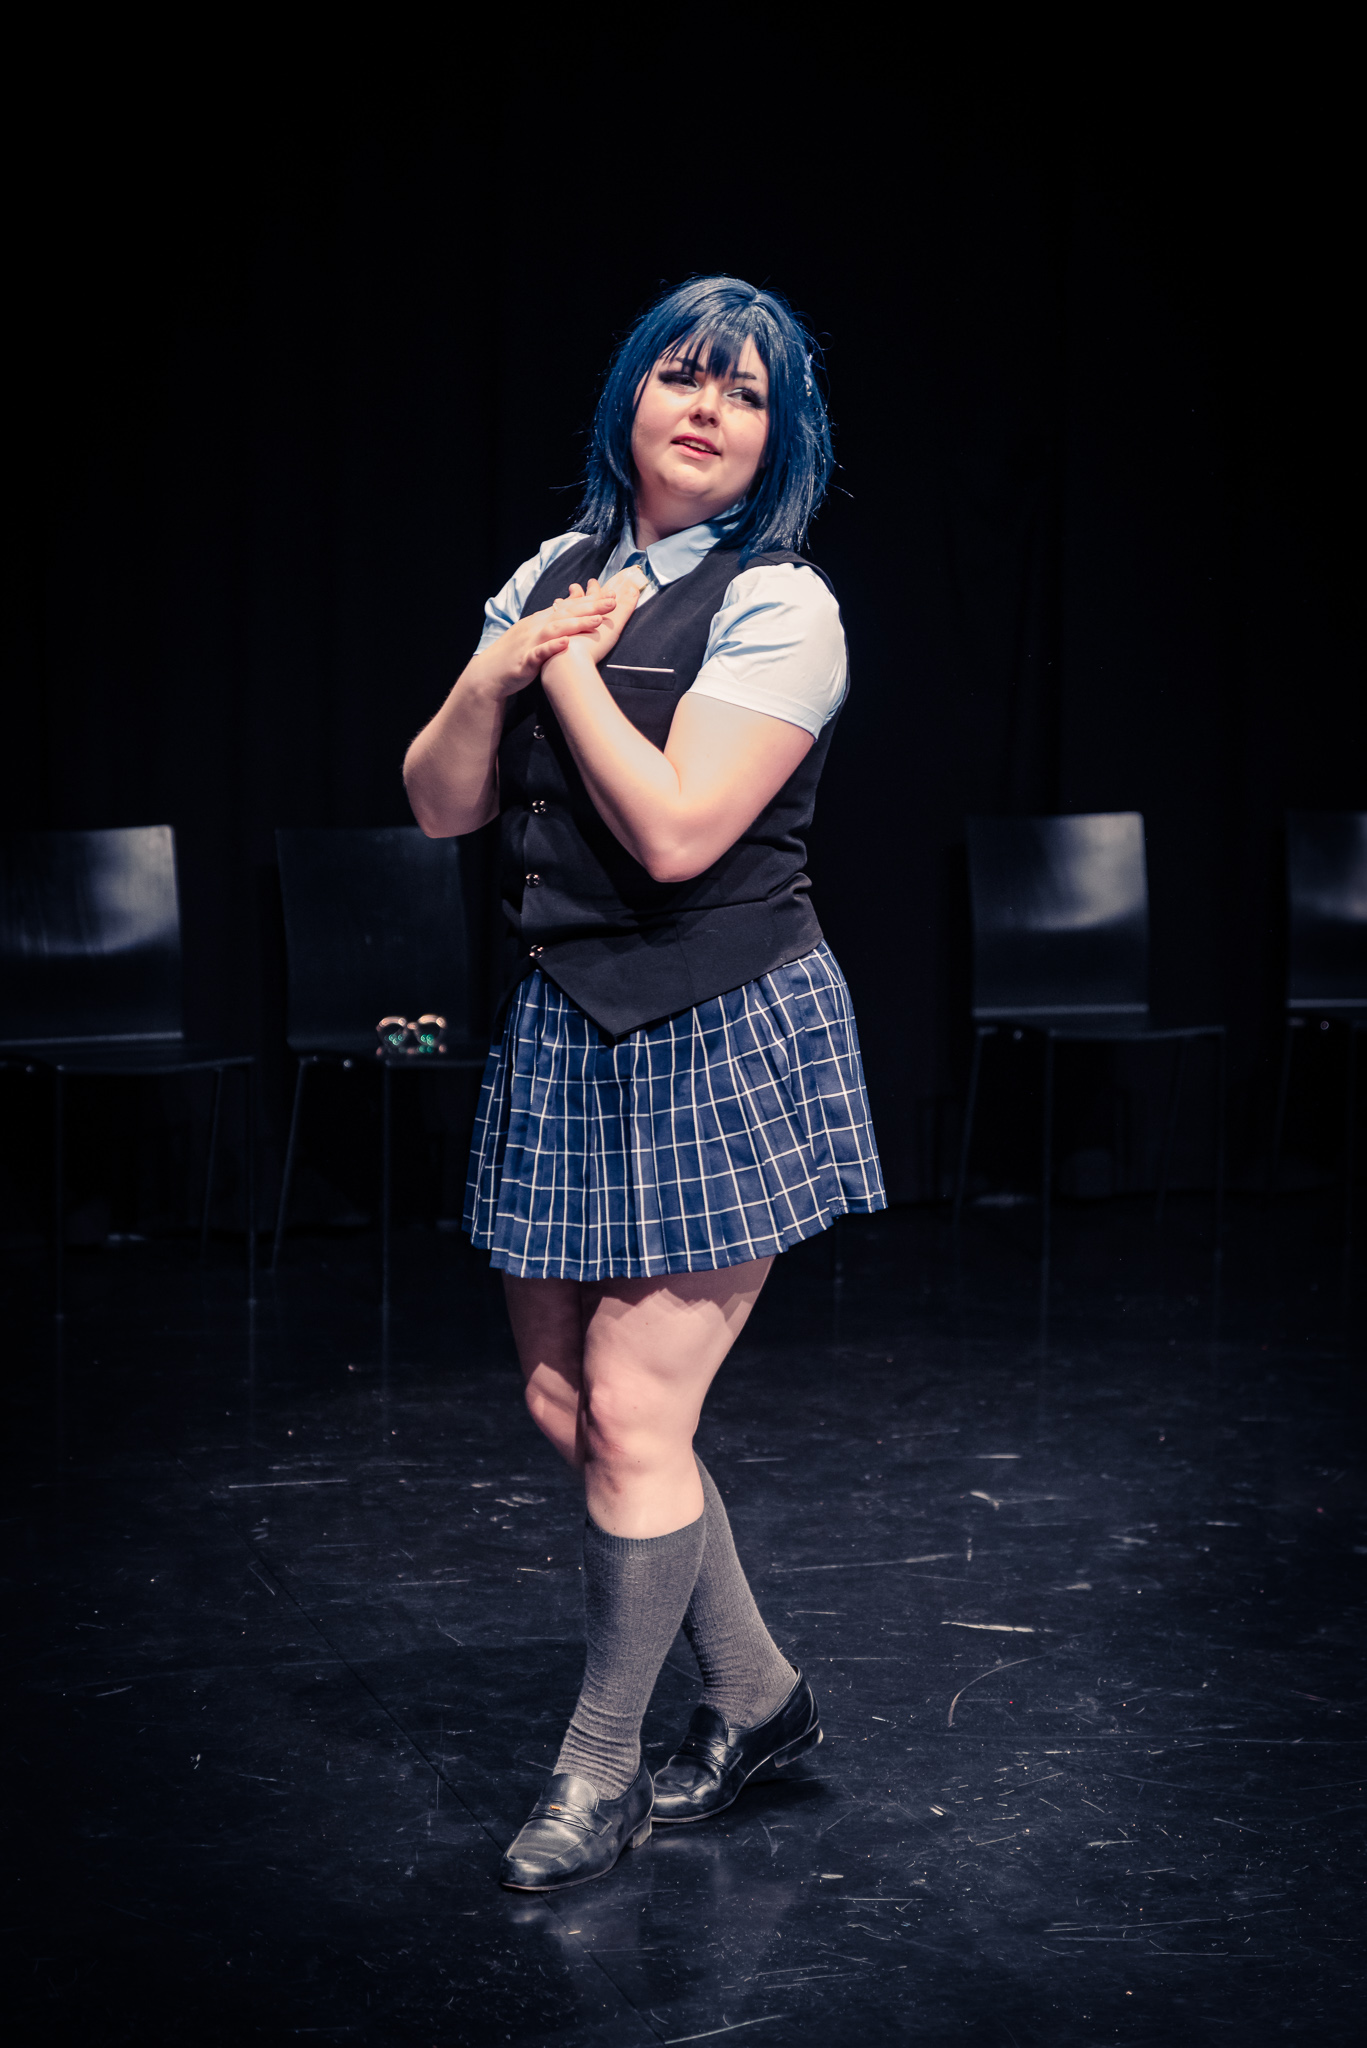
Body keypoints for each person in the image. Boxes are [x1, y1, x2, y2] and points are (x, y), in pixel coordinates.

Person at [404, 275, 884, 1893]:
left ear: (778, 443)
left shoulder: (784, 606)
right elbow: (441, 806)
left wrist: (564, 674)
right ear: (631, 399)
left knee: (634, 1409)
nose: (708, 409)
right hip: (566, 1026)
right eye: (684, 376)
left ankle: (598, 1773)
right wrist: (498, 668)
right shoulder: (553, 576)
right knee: (574, 1408)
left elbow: (679, 833)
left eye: (746, 395)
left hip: (720, 1022)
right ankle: (756, 1694)